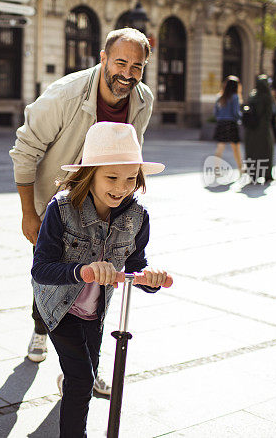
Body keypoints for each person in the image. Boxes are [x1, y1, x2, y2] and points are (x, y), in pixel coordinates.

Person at [10, 27, 154, 394]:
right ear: (103, 58)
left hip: (105, 201)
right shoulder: (65, 95)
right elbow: (25, 151)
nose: (127, 73)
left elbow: (131, 152)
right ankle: (41, 329)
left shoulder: (142, 100)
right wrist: (30, 214)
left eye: (136, 66)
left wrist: (129, 200)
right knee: (52, 274)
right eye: (120, 62)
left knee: (99, 286)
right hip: (57, 201)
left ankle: (84, 370)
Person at [31, 122, 170, 438]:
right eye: (111, 177)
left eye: (131, 178)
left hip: (95, 311)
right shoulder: (62, 209)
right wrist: (83, 270)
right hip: (58, 307)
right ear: (89, 173)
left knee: (86, 372)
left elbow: (135, 266)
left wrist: (150, 279)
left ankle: (70, 381)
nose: (122, 188)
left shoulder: (137, 216)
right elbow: (41, 269)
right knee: (82, 380)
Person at [243, 75, 275, 184]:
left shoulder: (253, 95)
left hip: (251, 130)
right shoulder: (267, 97)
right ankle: (266, 174)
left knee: (252, 151)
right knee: (265, 152)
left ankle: (253, 174)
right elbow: (269, 114)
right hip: (263, 130)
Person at [213, 75, 244, 175]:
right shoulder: (235, 97)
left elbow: (215, 112)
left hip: (221, 123)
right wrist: (241, 118)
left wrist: (220, 118)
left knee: (220, 146)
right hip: (231, 123)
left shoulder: (219, 96)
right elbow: (236, 113)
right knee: (236, 148)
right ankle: (240, 169)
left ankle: (216, 169)